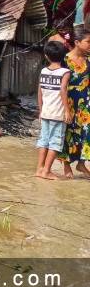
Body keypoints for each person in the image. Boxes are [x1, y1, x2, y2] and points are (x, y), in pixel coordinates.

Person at [37, 41, 71, 179]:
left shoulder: (43, 71)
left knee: (43, 140)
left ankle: (39, 169)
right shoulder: (65, 72)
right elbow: (63, 90)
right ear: (63, 56)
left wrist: (40, 110)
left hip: (45, 112)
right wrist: (67, 110)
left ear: (46, 56)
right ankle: (47, 171)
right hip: (58, 113)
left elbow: (39, 91)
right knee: (55, 142)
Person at [63, 31, 90, 179]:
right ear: (77, 42)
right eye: (88, 42)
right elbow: (59, 86)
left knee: (87, 133)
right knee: (68, 132)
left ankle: (81, 163)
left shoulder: (89, 60)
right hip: (69, 103)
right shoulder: (64, 60)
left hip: (86, 103)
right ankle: (67, 165)